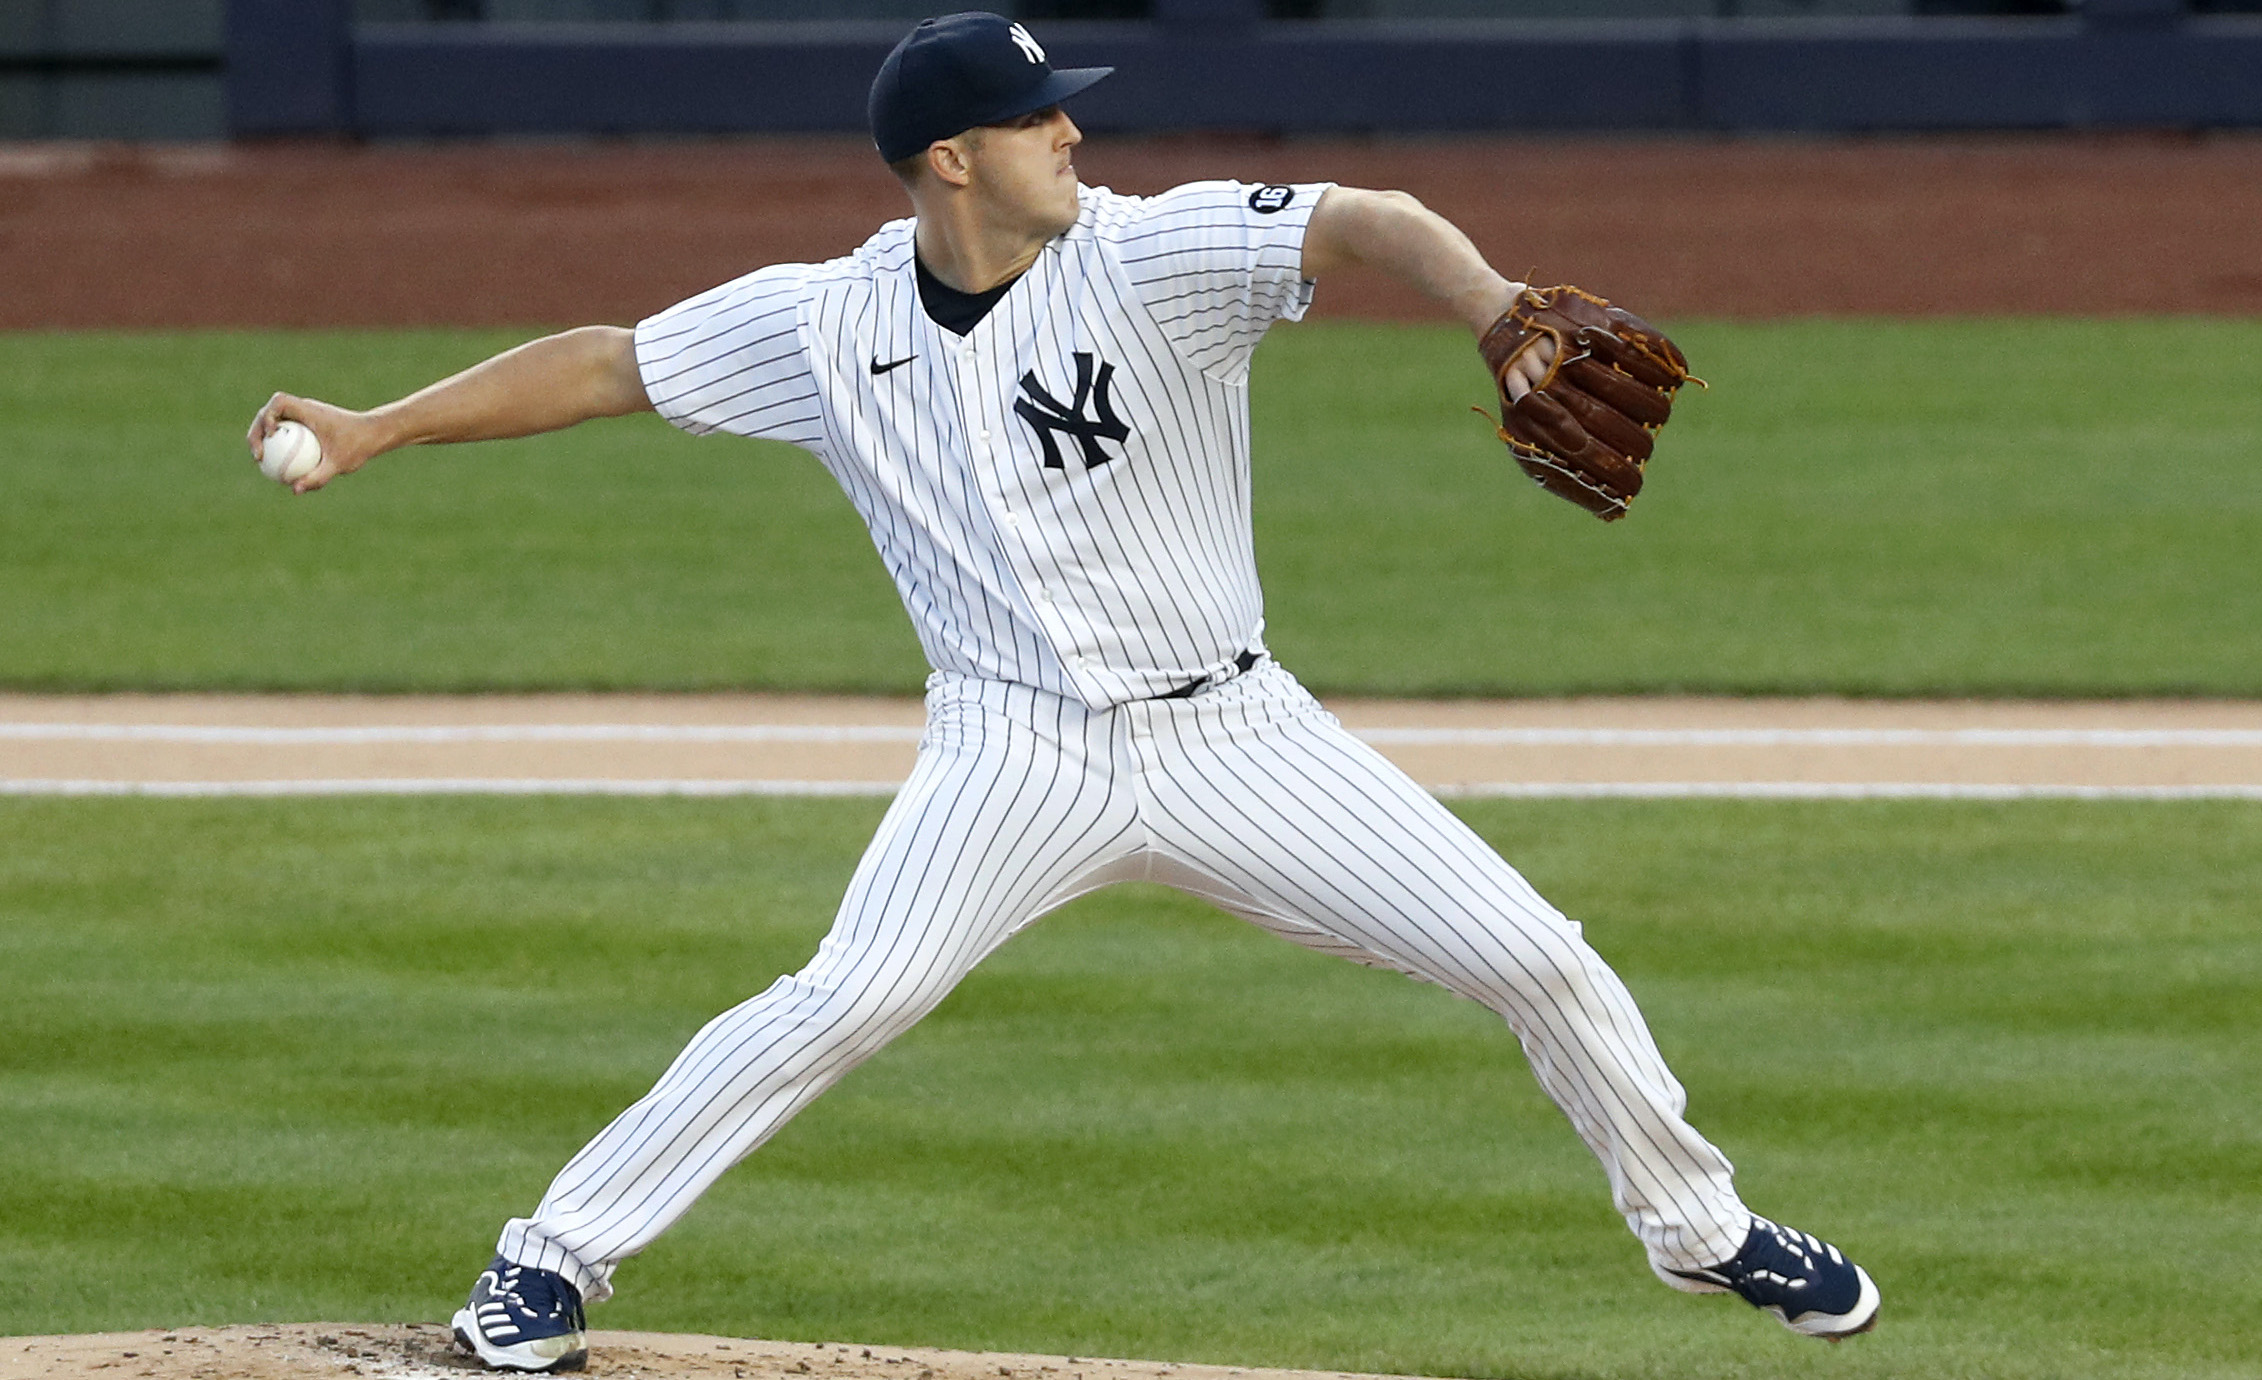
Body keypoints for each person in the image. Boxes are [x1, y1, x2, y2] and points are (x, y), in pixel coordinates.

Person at [247, 12, 1879, 1372]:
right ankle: (548, 1262)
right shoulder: (821, 324)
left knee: (1536, 956)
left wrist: (1487, 308)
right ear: (952, 158)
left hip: (1238, 736)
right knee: (848, 996)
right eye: (1038, 122)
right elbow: (609, 359)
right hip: (1009, 751)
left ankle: (1705, 1232)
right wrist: (384, 425)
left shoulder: (1159, 254)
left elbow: (1362, 214)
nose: (1073, 141)